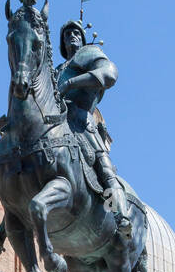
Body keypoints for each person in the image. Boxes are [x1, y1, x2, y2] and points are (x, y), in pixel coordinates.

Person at [55, 18, 132, 237]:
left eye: (76, 33)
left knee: (104, 169)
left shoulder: (88, 55)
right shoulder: (57, 69)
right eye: (67, 34)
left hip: (81, 123)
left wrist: (72, 83)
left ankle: (120, 215)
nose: (72, 36)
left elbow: (109, 74)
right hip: (56, 121)